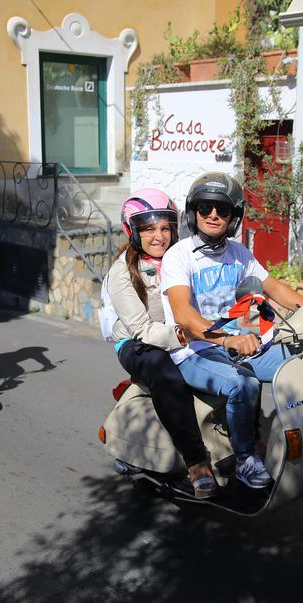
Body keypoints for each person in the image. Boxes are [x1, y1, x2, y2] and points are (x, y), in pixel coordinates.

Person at [161, 172, 303, 490]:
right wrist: (228, 338)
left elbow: (275, 288)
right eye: (205, 207)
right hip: (192, 351)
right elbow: (184, 315)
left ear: (233, 217)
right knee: (242, 383)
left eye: (222, 209)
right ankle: (246, 459)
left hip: (236, 344)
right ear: (194, 212)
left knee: (299, 360)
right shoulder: (178, 256)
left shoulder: (239, 254)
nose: (213, 214)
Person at [105, 188, 217, 498]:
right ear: (132, 231)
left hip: (186, 332)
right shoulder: (121, 272)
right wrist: (183, 335)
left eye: (165, 228)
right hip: (138, 343)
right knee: (164, 371)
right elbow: (141, 328)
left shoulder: (181, 257)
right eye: (149, 229)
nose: (159, 236)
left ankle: (246, 444)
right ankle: (196, 461)